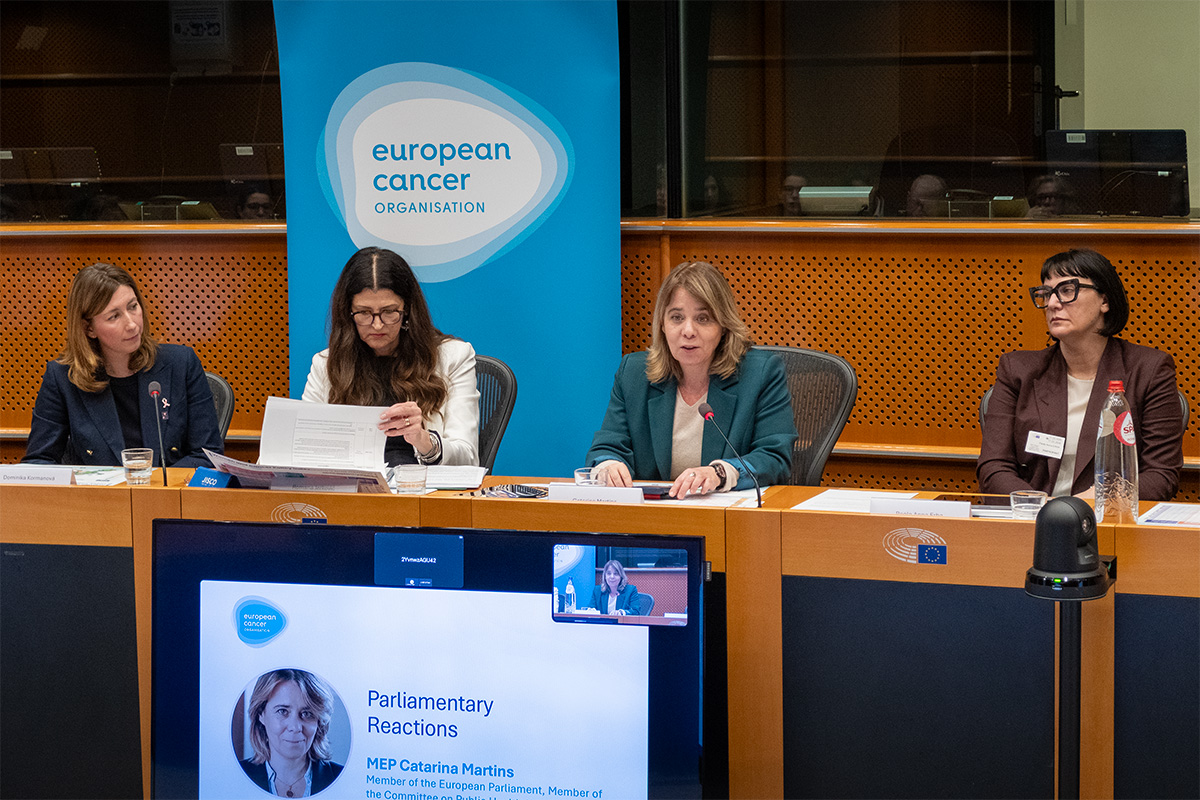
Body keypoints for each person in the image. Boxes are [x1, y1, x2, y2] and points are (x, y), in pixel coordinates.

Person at [977, 249, 1183, 499]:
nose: (1053, 303)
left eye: (1067, 290)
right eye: (1047, 293)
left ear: (1104, 301)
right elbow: (993, 468)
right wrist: (1043, 510)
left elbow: (1161, 476)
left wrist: (1089, 503)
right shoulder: (1018, 370)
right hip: (1032, 516)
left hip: (1108, 517)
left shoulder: (1149, 370)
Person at [585, 261, 797, 496]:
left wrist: (720, 473)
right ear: (662, 324)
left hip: (727, 512)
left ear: (723, 326)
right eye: (676, 317)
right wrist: (608, 465)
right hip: (654, 513)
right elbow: (607, 446)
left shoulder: (760, 374)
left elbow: (774, 457)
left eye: (703, 319)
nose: (688, 331)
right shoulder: (634, 374)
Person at [23, 263, 222, 467]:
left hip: (170, 487)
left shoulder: (181, 364)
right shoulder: (63, 378)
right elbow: (39, 462)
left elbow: (207, 455)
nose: (132, 324)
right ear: (89, 328)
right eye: (114, 316)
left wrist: (149, 482)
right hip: (96, 489)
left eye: (133, 307)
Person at [302, 247, 479, 467]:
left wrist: (423, 439)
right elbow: (304, 448)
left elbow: (468, 458)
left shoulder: (453, 358)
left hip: (422, 485)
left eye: (389, 312)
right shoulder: (326, 365)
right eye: (364, 313)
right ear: (348, 313)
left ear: (407, 310)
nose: (377, 325)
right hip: (354, 485)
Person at [239, 669, 344, 797]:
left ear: (319, 722)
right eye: (282, 711)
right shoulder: (234, 775)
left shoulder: (343, 778)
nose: (295, 727)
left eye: (307, 714)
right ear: (261, 714)